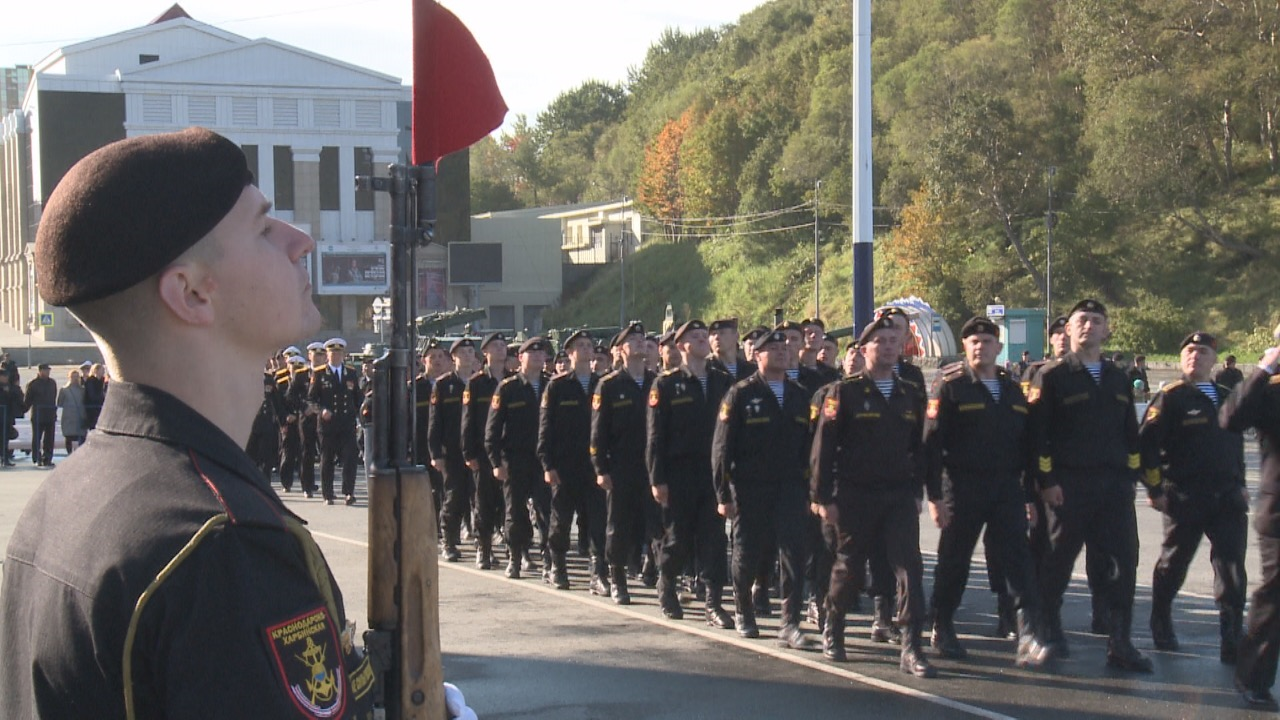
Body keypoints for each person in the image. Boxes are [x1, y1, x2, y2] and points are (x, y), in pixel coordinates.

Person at [0, 128, 477, 718]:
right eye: (262, 227)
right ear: (194, 292)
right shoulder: (222, 547)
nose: (299, 241)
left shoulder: (62, 500)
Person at [1029, 299, 1151, 672]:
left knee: (1122, 562)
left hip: (1112, 488)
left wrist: (1132, 478)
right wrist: (1046, 482)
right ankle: (1047, 630)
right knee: (1056, 562)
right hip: (1069, 486)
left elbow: (1131, 435)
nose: (1088, 327)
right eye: (1081, 321)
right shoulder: (1051, 376)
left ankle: (1120, 641)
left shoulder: (1118, 377)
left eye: (1096, 321)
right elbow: (1038, 438)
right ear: (1068, 330)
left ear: (1106, 329)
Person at [922, 317, 1051, 668]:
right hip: (962, 487)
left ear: (998, 347)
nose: (980, 346)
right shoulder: (950, 385)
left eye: (987, 341)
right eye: (973, 341)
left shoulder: (1012, 389)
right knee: (955, 559)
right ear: (965, 347)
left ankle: (1028, 632)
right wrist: (935, 497)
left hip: (1006, 487)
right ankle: (942, 623)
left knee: (1019, 560)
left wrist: (1028, 495)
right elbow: (931, 445)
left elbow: (1027, 443)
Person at [811, 313, 934, 678]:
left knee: (910, 569)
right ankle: (834, 627)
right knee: (849, 567)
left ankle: (912, 646)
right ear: (864, 349)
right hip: (855, 495)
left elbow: (920, 448)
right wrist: (822, 496)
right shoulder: (843, 392)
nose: (888, 347)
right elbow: (823, 448)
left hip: (897, 494)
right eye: (880, 342)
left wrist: (917, 490)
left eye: (894, 342)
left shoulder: (910, 393)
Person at [1139, 332, 1246, 663]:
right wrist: (1156, 490)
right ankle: (1161, 621)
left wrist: (1241, 483)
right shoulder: (1171, 397)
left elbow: (1235, 444)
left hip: (1227, 498)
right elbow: (1145, 447)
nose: (1195, 356)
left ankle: (1231, 636)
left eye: (1202, 352)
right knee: (1174, 562)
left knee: (1231, 569)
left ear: (1214, 359)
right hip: (1186, 495)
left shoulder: (1228, 395)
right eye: (1189, 350)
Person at [713, 328, 815, 650]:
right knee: (747, 552)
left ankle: (790, 623)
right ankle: (743, 609)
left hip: (790, 488)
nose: (782, 351)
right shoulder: (740, 394)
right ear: (756, 356)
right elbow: (722, 448)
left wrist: (812, 487)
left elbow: (810, 447)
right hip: (750, 487)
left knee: (793, 555)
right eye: (772, 347)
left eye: (784, 347)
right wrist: (722, 493)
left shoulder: (800, 394)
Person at [647, 320, 736, 629]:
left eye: (704, 336)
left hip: (713, 473)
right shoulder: (666, 384)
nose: (702, 340)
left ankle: (713, 603)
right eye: (695, 337)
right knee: (678, 538)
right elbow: (656, 437)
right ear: (681, 345)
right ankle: (667, 583)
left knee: (714, 539)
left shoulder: (722, 381)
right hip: (679, 472)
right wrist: (657, 478)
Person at [1222, 343, 1280, 709]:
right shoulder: (1272, 387)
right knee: (1275, 598)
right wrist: (1264, 368)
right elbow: (1230, 418)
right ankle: (1252, 677)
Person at [591, 323, 657, 604]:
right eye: (633, 339)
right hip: (621, 466)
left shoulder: (658, 382)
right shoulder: (609, 385)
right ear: (620, 349)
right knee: (618, 525)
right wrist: (600, 468)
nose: (640, 343)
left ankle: (654, 569)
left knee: (657, 524)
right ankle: (617, 578)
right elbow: (598, 431)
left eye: (642, 338)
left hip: (652, 467)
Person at [540, 330, 606, 593]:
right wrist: (547, 464)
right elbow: (546, 428)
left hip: (593, 466)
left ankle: (598, 572)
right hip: (564, 465)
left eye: (589, 345)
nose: (587, 349)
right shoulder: (557, 386)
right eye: (581, 345)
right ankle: (557, 565)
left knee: (597, 520)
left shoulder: (602, 384)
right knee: (561, 520)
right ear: (569, 353)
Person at [487, 337, 553, 579]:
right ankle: (516, 555)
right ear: (520, 358)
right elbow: (492, 430)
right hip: (515, 460)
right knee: (515, 512)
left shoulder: (552, 386)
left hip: (543, 461)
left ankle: (549, 559)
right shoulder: (508, 388)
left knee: (546, 511)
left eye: (541, 353)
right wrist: (496, 461)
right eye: (531, 353)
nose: (538, 357)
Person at [462, 332, 509, 570]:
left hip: (508, 453)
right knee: (484, 503)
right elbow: (468, 422)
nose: (501, 350)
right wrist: (469, 454)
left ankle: (513, 548)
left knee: (508, 503)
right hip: (482, 453)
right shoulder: (477, 383)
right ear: (486, 353)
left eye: (503, 346)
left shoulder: (513, 380)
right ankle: (484, 548)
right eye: (495, 346)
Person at [430, 338, 475, 562]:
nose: (467, 355)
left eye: (470, 351)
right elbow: (435, 423)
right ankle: (449, 540)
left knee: (482, 498)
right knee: (454, 496)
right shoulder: (443, 385)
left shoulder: (481, 383)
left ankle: (482, 541)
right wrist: (435, 453)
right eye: (462, 352)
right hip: (452, 451)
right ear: (453, 357)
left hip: (477, 450)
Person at [310, 337, 361, 505]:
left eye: (338, 353)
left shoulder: (351, 373)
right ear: (327, 355)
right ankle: (328, 493)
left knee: (350, 458)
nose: (336, 356)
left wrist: (361, 416)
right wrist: (321, 410)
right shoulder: (319, 374)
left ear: (343, 355)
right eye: (332, 353)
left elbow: (357, 398)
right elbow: (311, 399)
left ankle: (348, 492)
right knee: (327, 460)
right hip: (328, 425)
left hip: (346, 423)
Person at [23, 363, 58, 467]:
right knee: (37, 438)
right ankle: (36, 458)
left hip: (50, 414)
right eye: (45, 370)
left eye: (48, 370)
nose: (47, 372)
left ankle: (47, 458)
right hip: (38, 415)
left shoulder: (52, 383)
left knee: (49, 439)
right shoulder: (33, 384)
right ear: (40, 371)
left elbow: (54, 398)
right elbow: (27, 400)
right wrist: (22, 410)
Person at [56, 368, 88, 455]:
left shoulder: (83, 390)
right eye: (73, 377)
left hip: (80, 415)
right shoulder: (64, 390)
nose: (75, 379)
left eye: (77, 377)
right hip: (68, 417)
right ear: (69, 378)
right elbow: (60, 403)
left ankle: (80, 454)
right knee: (68, 436)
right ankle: (69, 453)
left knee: (81, 436)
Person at [0, 366, 21, 466]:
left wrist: (10, 391)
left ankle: (5, 458)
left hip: (6, 417)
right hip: (2, 415)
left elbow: (16, 398)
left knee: (5, 439)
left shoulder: (10, 387)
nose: (6, 378)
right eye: (4, 376)